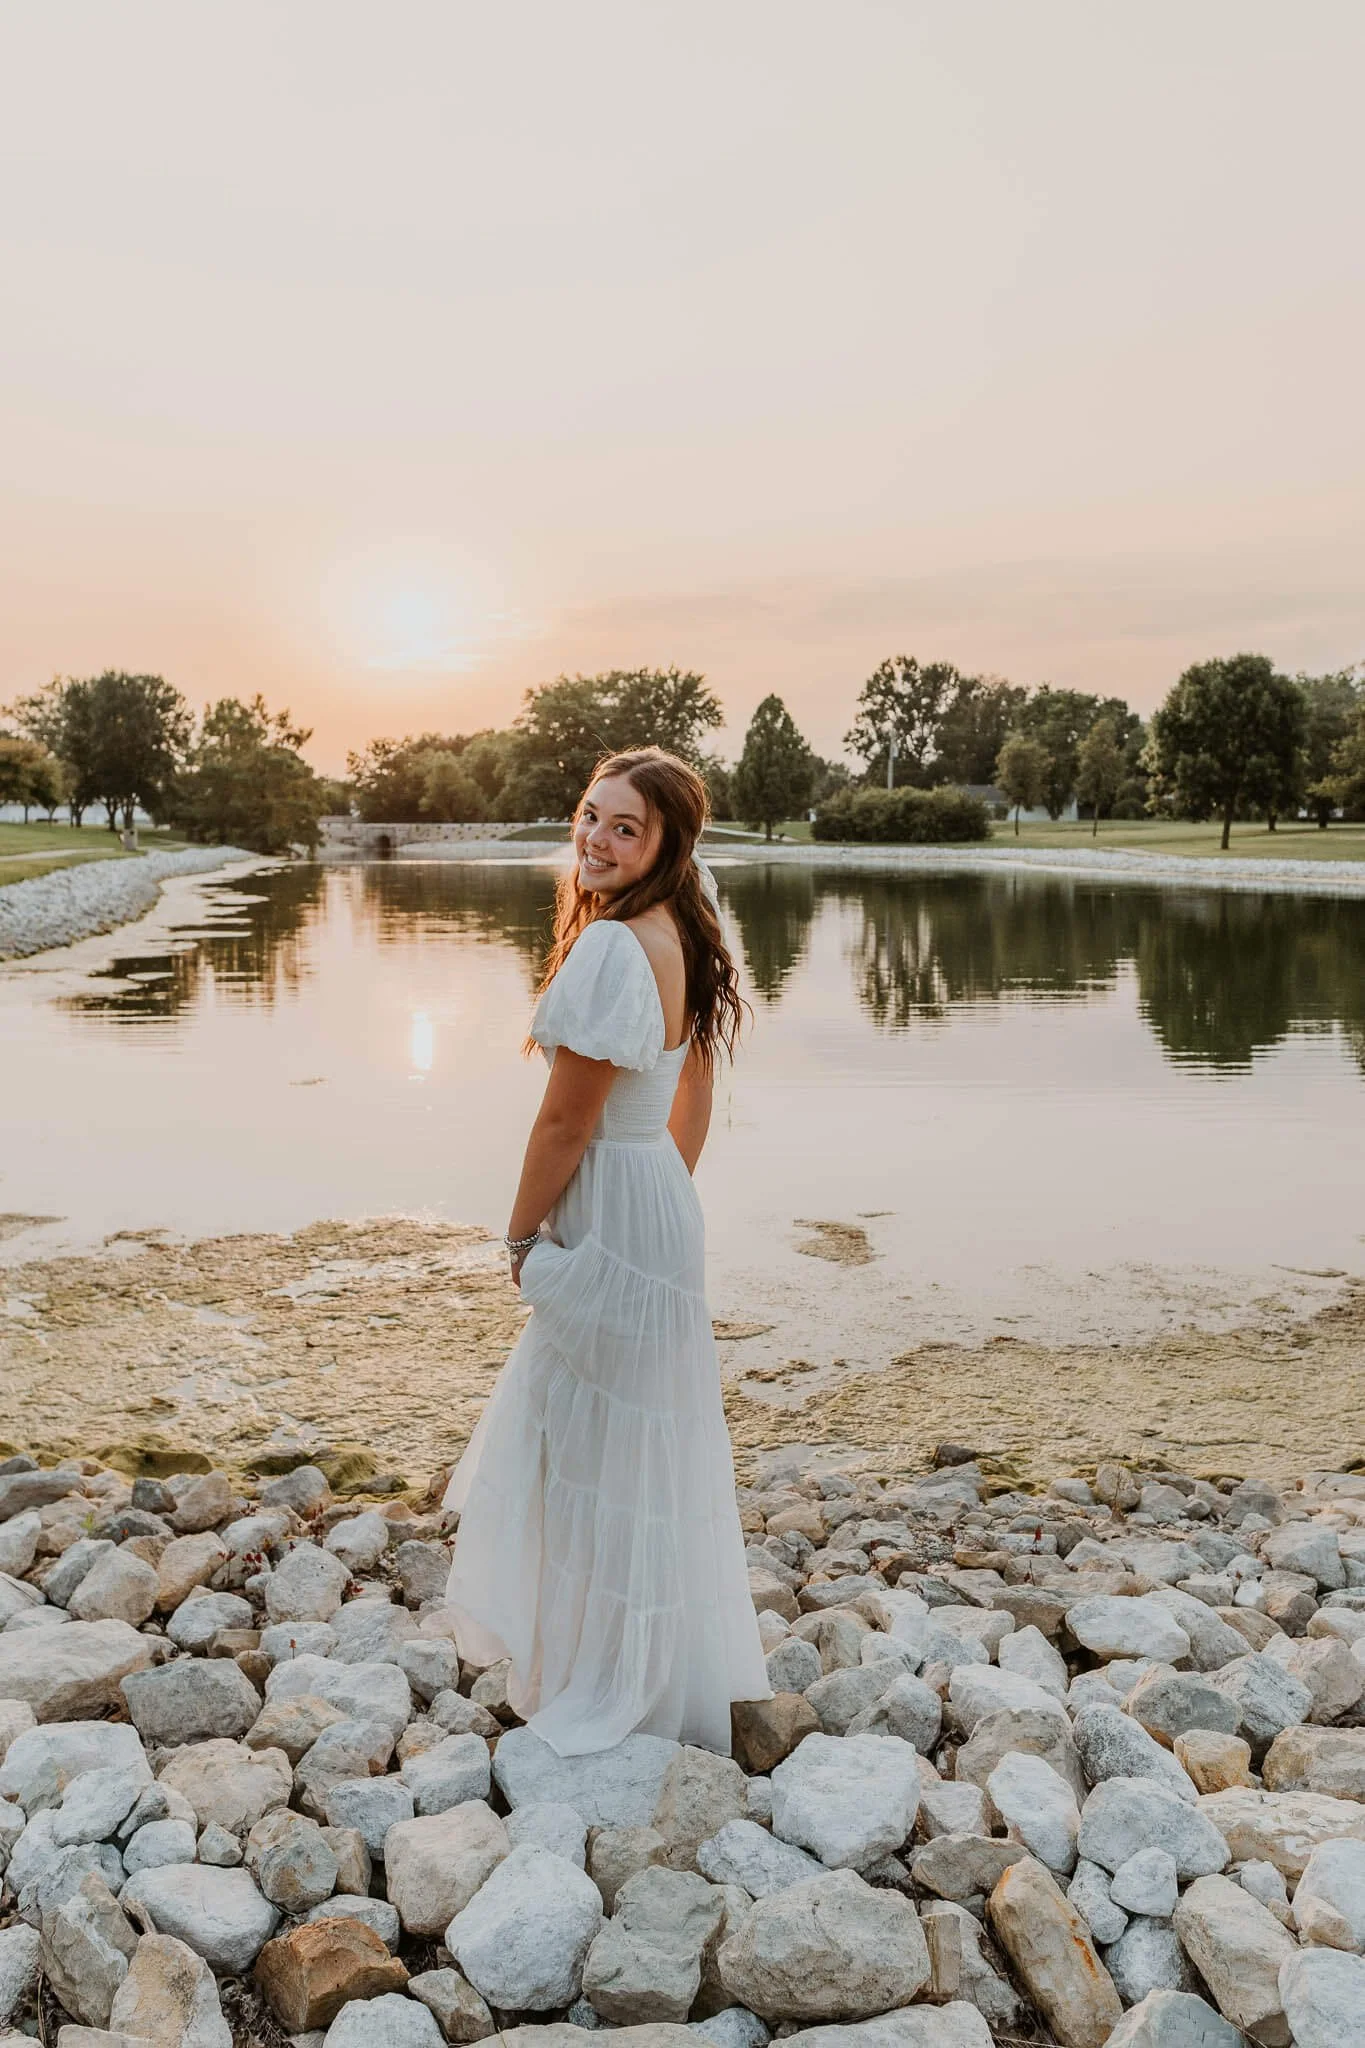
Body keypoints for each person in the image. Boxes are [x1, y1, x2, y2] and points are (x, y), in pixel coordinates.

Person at [443, 746, 772, 1755]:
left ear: (665, 844)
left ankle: (600, 1675)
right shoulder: (689, 924)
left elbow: (562, 1124)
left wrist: (519, 1234)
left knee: (583, 1441)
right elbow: (693, 1094)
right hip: (659, 1201)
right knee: (642, 1446)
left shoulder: (611, 948)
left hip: (613, 1201)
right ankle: (638, 1665)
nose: (595, 838)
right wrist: (657, 1191)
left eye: (625, 827)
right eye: (590, 816)